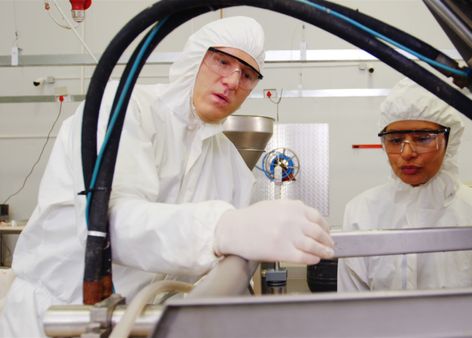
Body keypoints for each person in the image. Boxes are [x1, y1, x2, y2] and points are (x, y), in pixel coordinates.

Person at [0, 16, 334, 337]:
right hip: (53, 318)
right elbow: (109, 224)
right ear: (194, 57)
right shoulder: (124, 108)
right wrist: (222, 228)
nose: (233, 81)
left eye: (247, 75)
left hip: (141, 324)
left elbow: (221, 275)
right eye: (222, 62)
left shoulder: (230, 164)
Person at [337, 78, 472, 292]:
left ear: (450, 141)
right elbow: (354, 310)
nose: (407, 153)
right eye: (395, 140)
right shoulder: (360, 213)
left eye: (423, 138)